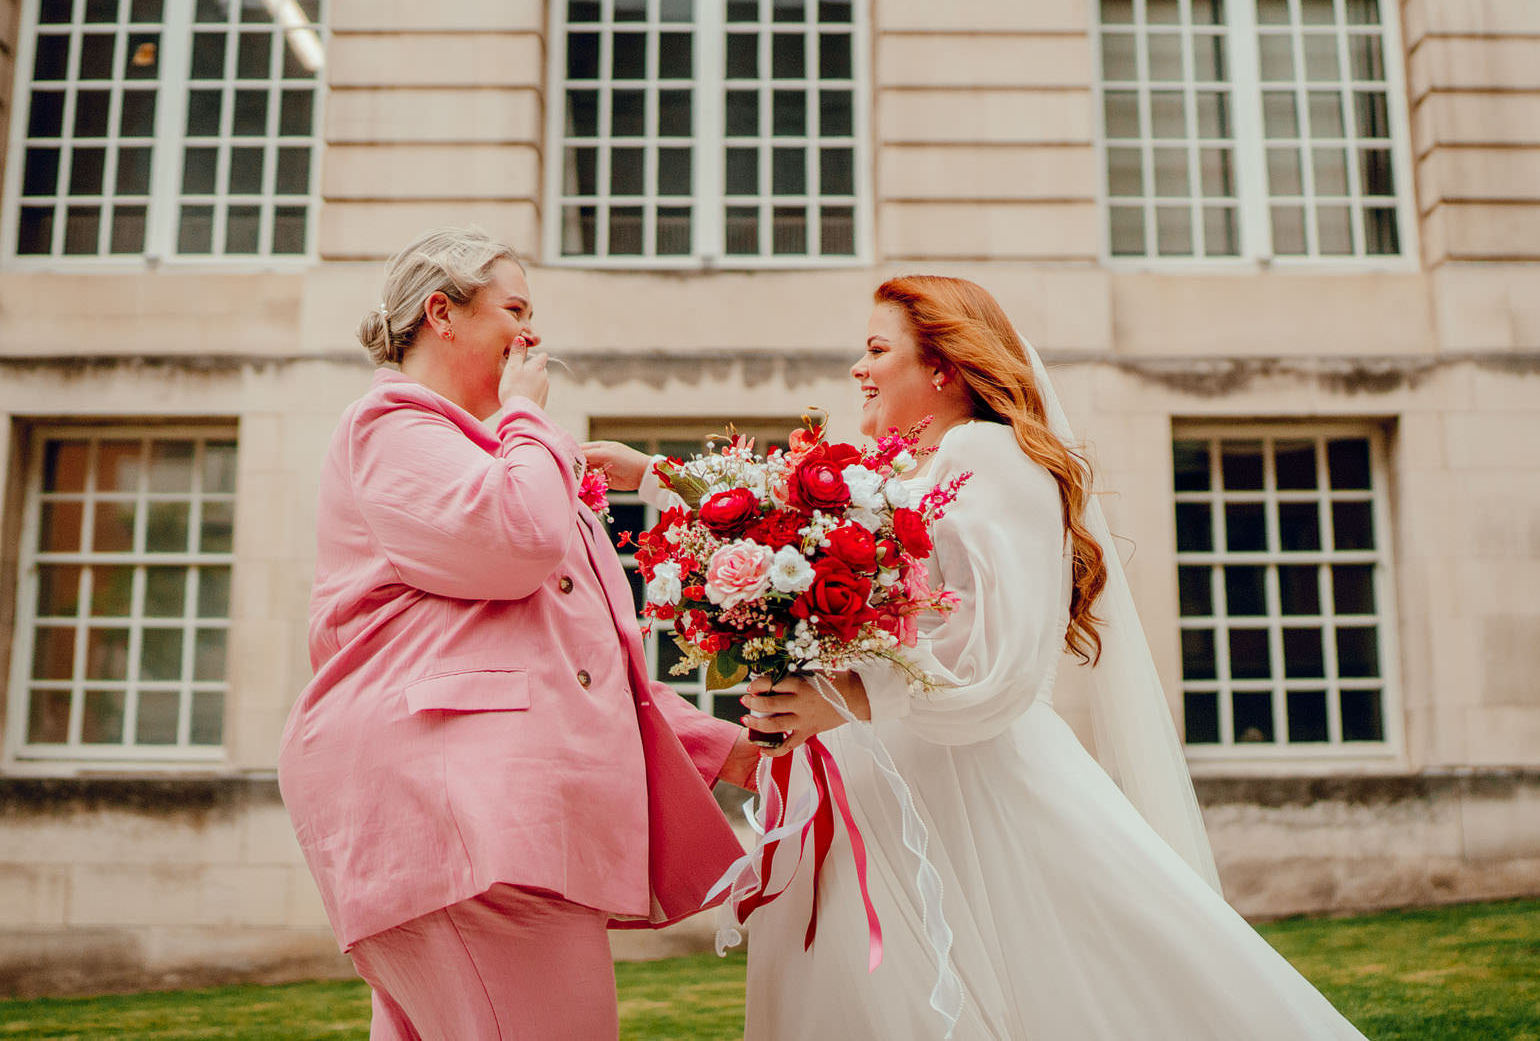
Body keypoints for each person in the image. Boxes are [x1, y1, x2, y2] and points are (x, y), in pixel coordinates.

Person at [604, 274, 1369, 1040]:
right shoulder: (902, 477)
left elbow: (1000, 662)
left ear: (941, 368)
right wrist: (652, 476)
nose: (858, 369)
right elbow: (780, 522)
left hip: (972, 793)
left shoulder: (989, 457)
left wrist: (848, 698)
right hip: (882, 788)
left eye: (876, 349)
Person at [277, 227, 759, 1041]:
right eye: (515, 309)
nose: (533, 336)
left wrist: (726, 748)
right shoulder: (392, 427)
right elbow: (514, 543)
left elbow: (575, 661)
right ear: (442, 313)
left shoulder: (480, 450)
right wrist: (528, 419)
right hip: (465, 825)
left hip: (480, 828)